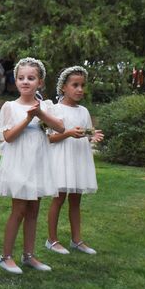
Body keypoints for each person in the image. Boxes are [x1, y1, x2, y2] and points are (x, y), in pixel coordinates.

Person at [0, 57, 64, 275]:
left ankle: (29, 254)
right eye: (21, 78)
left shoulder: (46, 106)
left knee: (34, 209)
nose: (26, 82)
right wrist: (27, 119)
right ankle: (6, 256)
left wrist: (40, 113)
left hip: (39, 162)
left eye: (31, 78)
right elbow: (8, 137)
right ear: (15, 81)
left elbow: (60, 128)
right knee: (19, 209)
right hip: (18, 163)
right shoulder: (10, 107)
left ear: (40, 83)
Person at [45, 66, 104, 256]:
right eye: (75, 85)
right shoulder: (54, 110)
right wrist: (68, 133)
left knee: (76, 200)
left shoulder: (84, 111)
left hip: (78, 158)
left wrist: (91, 136)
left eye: (82, 85)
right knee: (59, 198)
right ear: (64, 87)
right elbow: (49, 138)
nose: (79, 89)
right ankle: (52, 240)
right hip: (62, 159)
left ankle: (77, 240)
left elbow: (86, 132)